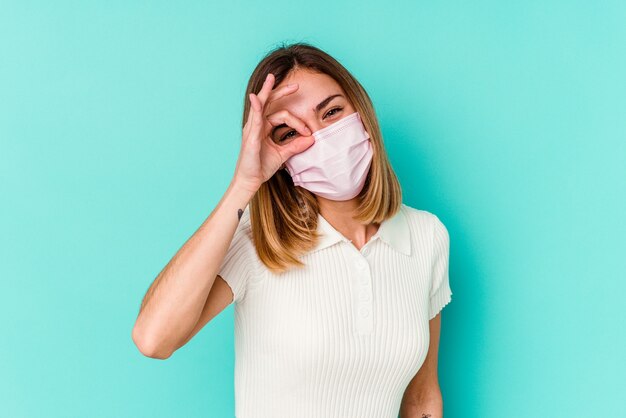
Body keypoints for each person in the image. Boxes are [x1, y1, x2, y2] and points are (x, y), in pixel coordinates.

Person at [132, 42, 453, 418]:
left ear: (362, 113)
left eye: (331, 112)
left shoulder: (426, 236)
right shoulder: (259, 239)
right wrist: (244, 184)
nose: (320, 139)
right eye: (288, 133)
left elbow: (421, 398)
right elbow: (154, 339)